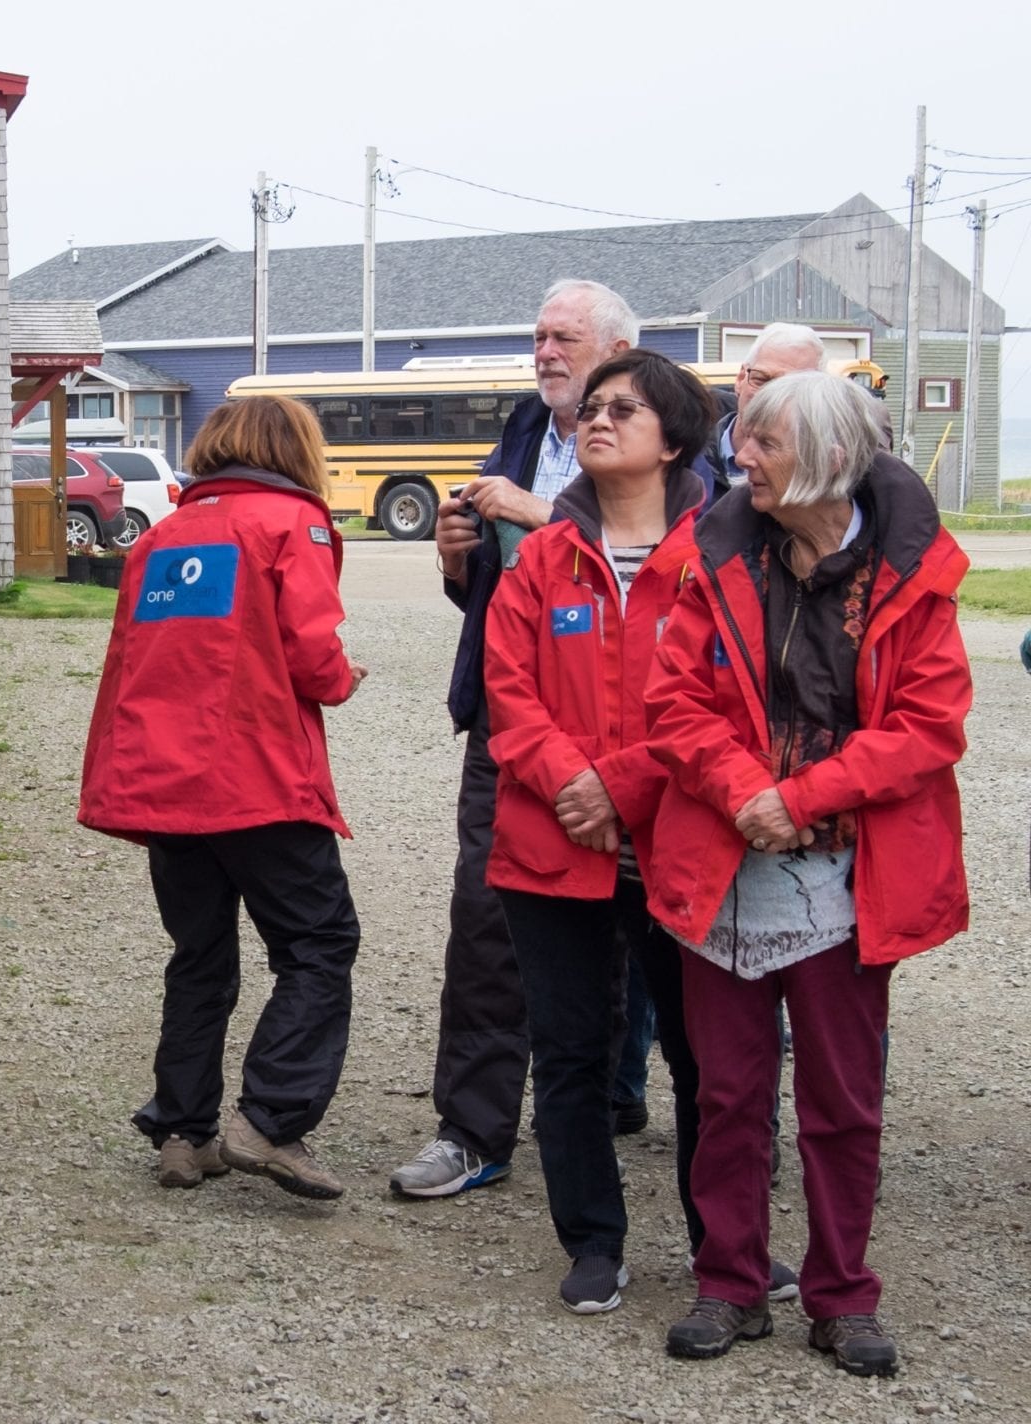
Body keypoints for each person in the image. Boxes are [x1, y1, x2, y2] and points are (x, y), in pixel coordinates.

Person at [646, 372, 972, 1376]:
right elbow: (671, 703)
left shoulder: (912, 577)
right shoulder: (712, 557)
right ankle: (729, 1281)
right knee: (728, 1092)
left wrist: (799, 798)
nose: (739, 458)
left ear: (828, 455)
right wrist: (748, 787)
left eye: (763, 442)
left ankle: (839, 1292)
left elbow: (927, 725)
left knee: (840, 1101)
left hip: (845, 877)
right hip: (724, 864)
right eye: (743, 440)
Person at [80, 395, 368, 1200]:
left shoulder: (164, 535)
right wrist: (343, 679)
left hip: (164, 780)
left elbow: (132, 660)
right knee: (319, 944)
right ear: (294, 451)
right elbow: (312, 654)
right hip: (255, 778)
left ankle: (184, 1129)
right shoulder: (291, 524)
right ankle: (269, 1120)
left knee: (199, 955)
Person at [480, 350, 717, 1312]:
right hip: (551, 847)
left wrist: (621, 787)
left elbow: (722, 707)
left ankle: (724, 1244)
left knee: (707, 1062)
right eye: (592, 408)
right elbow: (508, 691)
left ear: (674, 438)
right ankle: (592, 1243)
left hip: (680, 847)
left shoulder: (719, 556)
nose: (596, 420)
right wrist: (574, 782)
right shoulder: (542, 557)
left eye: (625, 409)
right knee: (571, 1054)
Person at [391, 280, 639, 1200]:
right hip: (511, 716)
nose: (544, 352)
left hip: (626, 726)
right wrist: (461, 557)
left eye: (563, 337)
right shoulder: (524, 432)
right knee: (487, 922)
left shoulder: (658, 435)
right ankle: (473, 1129)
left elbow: (679, 554)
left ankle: (599, 1113)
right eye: (537, 337)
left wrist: (544, 519)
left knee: (623, 927)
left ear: (614, 348)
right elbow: (496, 591)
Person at [705, 324, 827, 488]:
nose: (770, 396)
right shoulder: (685, 459)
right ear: (741, 379)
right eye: (761, 380)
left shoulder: (827, 475)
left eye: (790, 388)